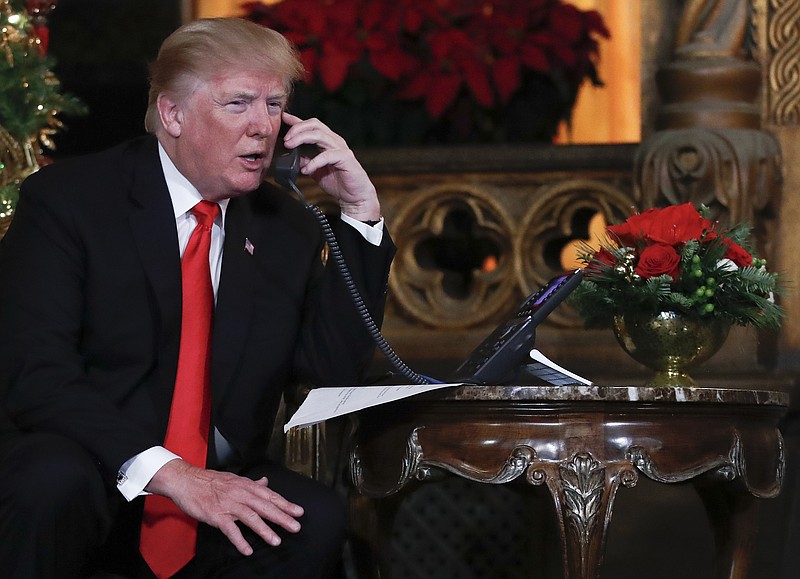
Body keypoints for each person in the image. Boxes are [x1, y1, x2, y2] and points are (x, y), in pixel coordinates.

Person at [0, 17, 394, 579]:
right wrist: (172, 474)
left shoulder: (286, 226)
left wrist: (361, 214)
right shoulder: (71, 202)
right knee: (49, 482)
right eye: (238, 104)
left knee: (310, 520)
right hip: (96, 467)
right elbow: (38, 378)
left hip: (217, 482)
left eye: (274, 104)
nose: (263, 126)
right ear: (173, 114)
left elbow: (328, 370)